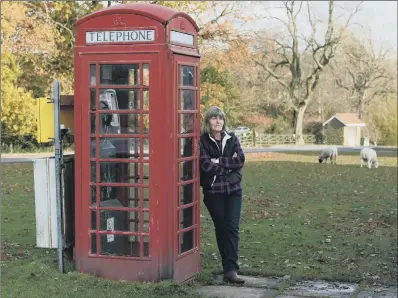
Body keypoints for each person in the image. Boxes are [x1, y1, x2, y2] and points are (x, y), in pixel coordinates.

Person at [199, 106, 245, 284]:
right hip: (213, 191)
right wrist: (228, 165)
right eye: (213, 118)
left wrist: (217, 161)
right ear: (208, 121)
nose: (218, 121)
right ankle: (228, 267)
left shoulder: (232, 138)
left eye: (220, 118)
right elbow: (205, 164)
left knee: (232, 227)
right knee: (221, 227)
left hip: (233, 189)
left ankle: (231, 269)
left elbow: (240, 160)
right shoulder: (202, 141)